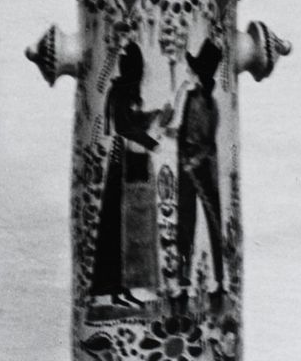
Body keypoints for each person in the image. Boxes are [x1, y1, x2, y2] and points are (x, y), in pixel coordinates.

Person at [90, 42, 164, 308]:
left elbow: (131, 120)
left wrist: (153, 115)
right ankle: (113, 289)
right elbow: (123, 126)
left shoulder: (125, 90)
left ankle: (123, 288)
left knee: (126, 227)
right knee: (116, 226)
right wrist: (151, 142)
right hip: (120, 162)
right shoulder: (120, 90)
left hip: (128, 161)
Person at [175, 38, 224, 300]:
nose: (189, 72)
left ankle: (219, 280)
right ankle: (183, 280)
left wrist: (194, 160)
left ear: (200, 74)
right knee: (185, 220)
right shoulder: (190, 97)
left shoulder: (210, 104)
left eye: (193, 70)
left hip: (203, 166)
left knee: (213, 219)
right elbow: (183, 132)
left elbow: (209, 142)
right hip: (186, 165)